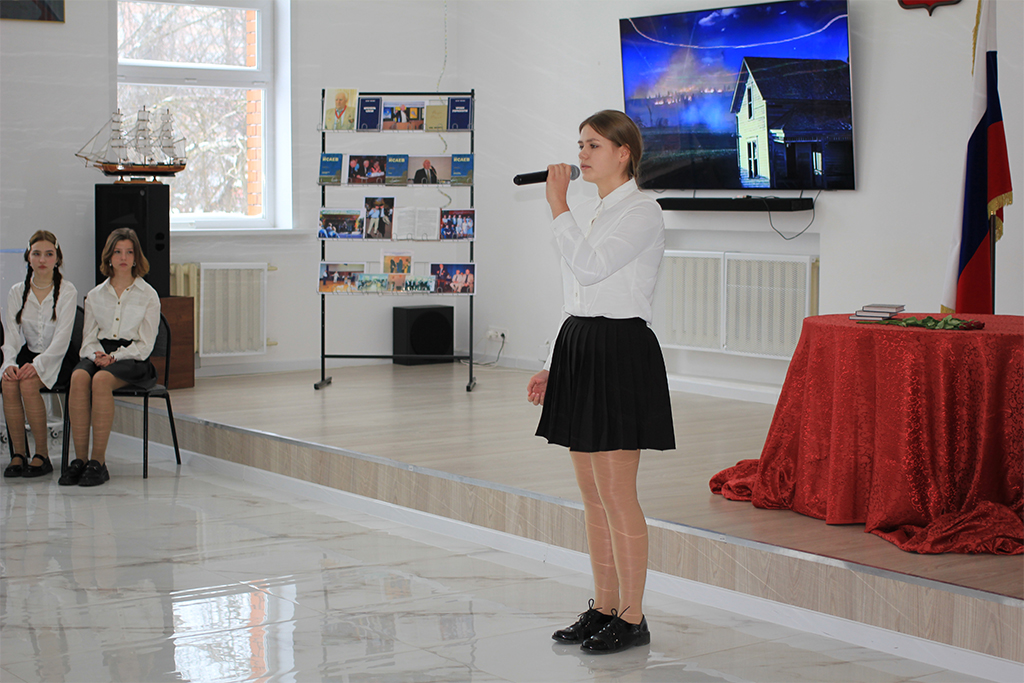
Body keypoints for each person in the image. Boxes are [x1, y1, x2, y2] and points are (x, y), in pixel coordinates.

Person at [527, 110, 675, 654]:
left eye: (593, 145)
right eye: (580, 145)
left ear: (623, 153)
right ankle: (605, 606)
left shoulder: (642, 212)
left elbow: (591, 269)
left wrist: (557, 205)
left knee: (616, 493)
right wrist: (552, 361)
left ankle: (633, 617)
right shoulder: (594, 213)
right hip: (582, 345)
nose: (582, 155)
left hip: (619, 351)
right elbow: (578, 296)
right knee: (591, 495)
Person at [59, 227, 161, 488]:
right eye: (117, 252)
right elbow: (88, 338)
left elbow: (145, 344)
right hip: (99, 352)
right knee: (79, 376)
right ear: (109, 257)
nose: (123, 257)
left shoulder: (148, 295)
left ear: (136, 257)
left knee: (101, 380)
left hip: (133, 358)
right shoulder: (95, 295)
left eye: (129, 252)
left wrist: (115, 357)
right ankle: (79, 460)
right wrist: (98, 356)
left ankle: (98, 462)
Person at [2, 231, 79, 478]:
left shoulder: (67, 291)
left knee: (28, 384)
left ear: (57, 258)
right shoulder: (17, 291)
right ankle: (18, 453)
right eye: (37, 254)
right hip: (29, 353)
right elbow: (12, 335)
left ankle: (42, 455)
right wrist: (9, 363)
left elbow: (62, 339)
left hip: (59, 357)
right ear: (29, 257)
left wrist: (37, 365)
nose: (42, 260)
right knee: (9, 382)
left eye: (49, 254)